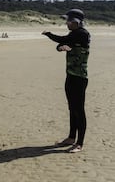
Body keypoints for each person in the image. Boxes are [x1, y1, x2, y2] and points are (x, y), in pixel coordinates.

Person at [42, 9, 90, 153]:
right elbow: (62, 44)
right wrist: (61, 47)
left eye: (68, 21)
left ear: (75, 22)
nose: (66, 23)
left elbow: (64, 41)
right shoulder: (73, 34)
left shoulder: (82, 34)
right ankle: (71, 137)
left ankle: (79, 143)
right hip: (70, 75)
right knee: (72, 108)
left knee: (79, 110)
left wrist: (51, 36)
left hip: (80, 77)